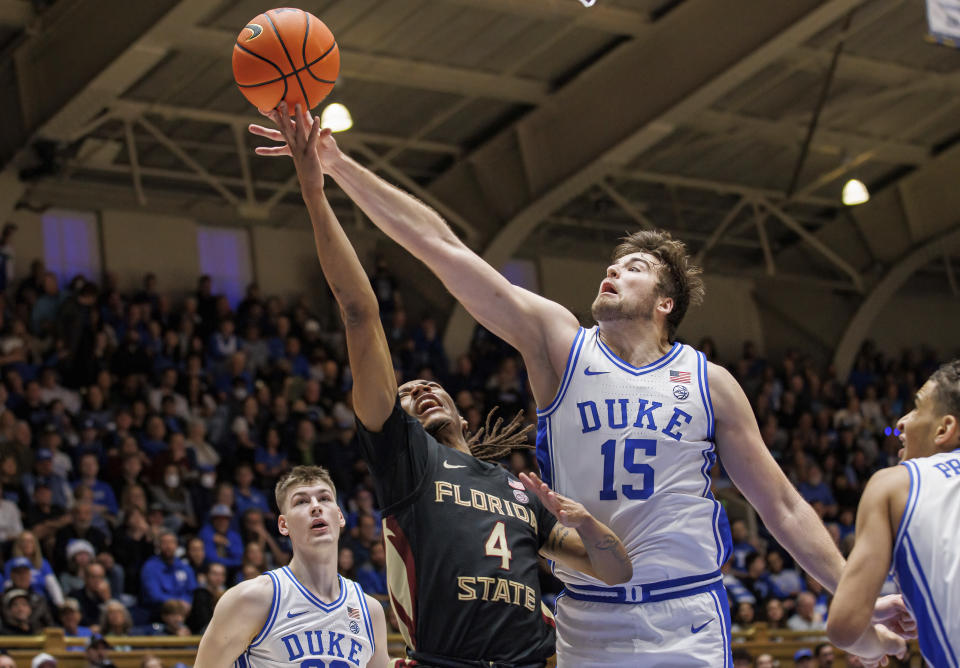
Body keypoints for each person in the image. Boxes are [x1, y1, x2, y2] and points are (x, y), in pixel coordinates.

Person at [250, 103, 911, 666]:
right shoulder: (559, 344)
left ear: (665, 301)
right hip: (588, 619)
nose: (613, 271)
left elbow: (784, 507)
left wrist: (851, 590)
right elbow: (443, 248)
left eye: (634, 268)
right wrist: (336, 167)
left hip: (685, 613)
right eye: (613, 263)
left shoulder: (710, 383)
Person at [251, 107, 631, 668]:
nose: (422, 391)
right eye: (407, 393)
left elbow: (615, 569)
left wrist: (586, 524)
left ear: (463, 413)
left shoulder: (520, 489)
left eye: (433, 386)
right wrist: (314, 192)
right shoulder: (407, 458)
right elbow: (359, 312)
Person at [828, 360, 960, 666]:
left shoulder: (893, 484)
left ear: (945, 429)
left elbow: (844, 627)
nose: (901, 421)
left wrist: (878, 644)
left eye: (916, 408)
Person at [195, 466, 390, 667]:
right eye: (302, 501)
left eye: (324, 498)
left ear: (340, 516)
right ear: (283, 525)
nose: (316, 507)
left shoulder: (370, 611)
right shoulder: (250, 600)